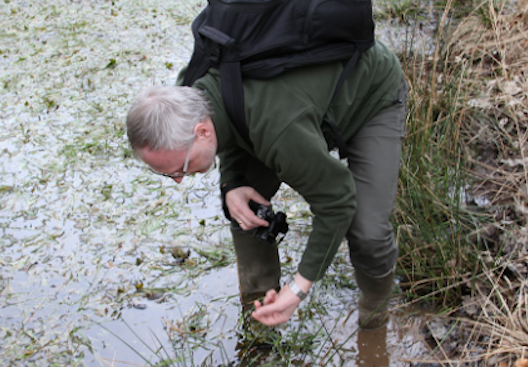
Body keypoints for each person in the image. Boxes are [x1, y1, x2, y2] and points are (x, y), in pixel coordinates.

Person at [126, 38, 407, 329]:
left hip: (369, 97)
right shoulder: (191, 87)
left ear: (201, 132)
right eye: (166, 174)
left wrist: (299, 287)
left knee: (368, 233)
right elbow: (232, 120)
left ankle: (374, 316)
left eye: (179, 169)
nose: (179, 180)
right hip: (296, 107)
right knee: (243, 207)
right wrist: (231, 183)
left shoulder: (277, 130)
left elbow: (338, 201)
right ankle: (260, 316)